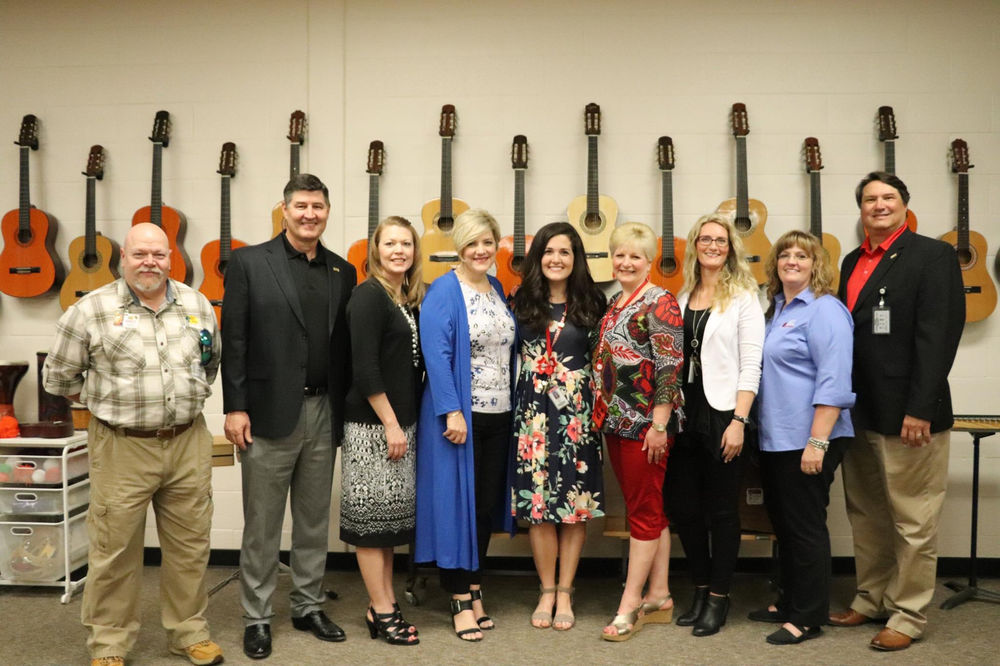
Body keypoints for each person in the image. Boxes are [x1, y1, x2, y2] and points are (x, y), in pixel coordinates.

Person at [43, 223, 223, 666]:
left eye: (158, 255)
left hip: (187, 442)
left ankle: (188, 633)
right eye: (140, 254)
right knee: (115, 549)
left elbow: (210, 362)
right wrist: (108, 405)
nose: (150, 263)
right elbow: (59, 378)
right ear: (123, 256)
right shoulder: (92, 309)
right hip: (122, 446)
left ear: (170, 258)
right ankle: (109, 644)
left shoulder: (198, 304)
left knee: (190, 546)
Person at [221, 174, 357, 659]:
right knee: (262, 522)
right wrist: (234, 406)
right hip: (266, 413)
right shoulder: (249, 262)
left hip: (324, 410)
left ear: (327, 211)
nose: (309, 214)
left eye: (318, 206)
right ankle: (257, 616)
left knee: (313, 518)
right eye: (301, 205)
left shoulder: (343, 271)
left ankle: (307, 604)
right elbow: (234, 340)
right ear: (284, 210)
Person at [829, 172, 964, 651]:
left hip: (911, 416)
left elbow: (938, 335)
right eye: (870, 199)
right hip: (859, 411)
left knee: (912, 519)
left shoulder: (933, 256)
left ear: (905, 204)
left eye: (888, 198)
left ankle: (907, 615)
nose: (879, 205)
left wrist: (920, 409)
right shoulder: (851, 261)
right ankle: (870, 598)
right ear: (861, 210)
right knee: (866, 513)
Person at [415, 208, 516, 642]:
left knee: (484, 505)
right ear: (460, 247)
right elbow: (435, 354)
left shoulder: (495, 287)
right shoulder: (443, 289)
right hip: (461, 416)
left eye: (487, 242)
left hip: (499, 413)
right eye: (472, 242)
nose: (481, 250)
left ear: (496, 246)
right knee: (457, 505)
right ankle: (457, 597)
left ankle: (475, 586)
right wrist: (451, 410)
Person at [752, 230, 856, 645]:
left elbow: (834, 379)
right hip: (777, 437)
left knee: (805, 526)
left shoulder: (825, 310)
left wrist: (817, 442)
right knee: (785, 524)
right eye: (785, 255)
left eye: (802, 255)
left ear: (817, 265)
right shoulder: (776, 309)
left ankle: (809, 615)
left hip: (810, 437)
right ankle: (790, 599)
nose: (792, 261)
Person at [665, 213, 764, 637]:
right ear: (694, 245)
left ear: (730, 248)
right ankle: (701, 588)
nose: (712, 245)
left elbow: (751, 363)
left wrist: (739, 420)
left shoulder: (744, 296)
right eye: (704, 239)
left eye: (720, 240)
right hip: (684, 416)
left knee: (723, 512)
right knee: (685, 510)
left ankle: (720, 598)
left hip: (724, 414)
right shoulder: (684, 293)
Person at [508, 222, 607, 631]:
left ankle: (566, 591)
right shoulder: (521, 301)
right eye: (549, 251)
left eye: (564, 252)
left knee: (573, 503)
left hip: (576, 418)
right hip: (532, 414)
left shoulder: (593, 303)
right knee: (539, 505)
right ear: (538, 257)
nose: (556, 259)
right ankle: (545, 589)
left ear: (576, 258)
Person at [593, 222, 684, 642]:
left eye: (635, 255)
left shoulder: (660, 302)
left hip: (647, 426)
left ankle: (630, 604)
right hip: (615, 421)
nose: (626, 262)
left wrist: (659, 425)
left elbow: (669, 368)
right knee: (647, 509)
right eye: (620, 254)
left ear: (649, 261)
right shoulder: (615, 301)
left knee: (642, 514)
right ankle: (660, 594)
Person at [341, 216, 423, 645]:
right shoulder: (368, 296)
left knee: (388, 524)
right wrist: (391, 424)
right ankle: (384, 609)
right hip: (373, 428)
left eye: (406, 244)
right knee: (372, 525)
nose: (398, 251)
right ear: (375, 250)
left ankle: (382, 603)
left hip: (398, 427)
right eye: (389, 243)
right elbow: (366, 368)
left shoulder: (403, 297)